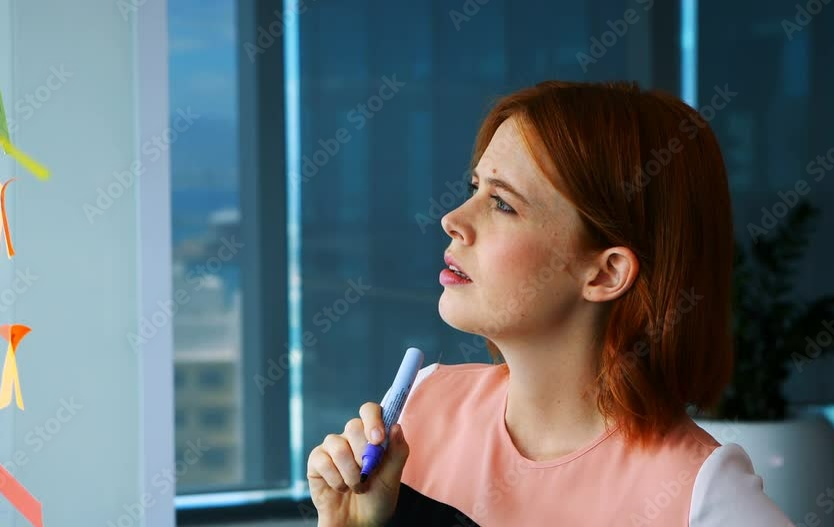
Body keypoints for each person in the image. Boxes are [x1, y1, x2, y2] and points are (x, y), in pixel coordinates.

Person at [306, 81, 794, 526]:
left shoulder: (702, 495)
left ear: (606, 273)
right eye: (475, 188)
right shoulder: (422, 410)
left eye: (503, 203)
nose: (452, 219)